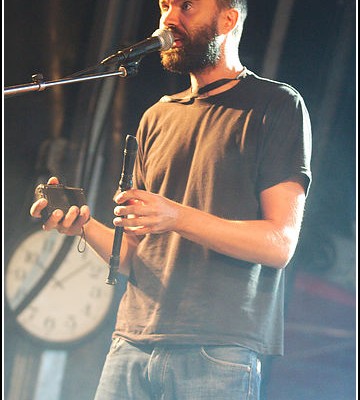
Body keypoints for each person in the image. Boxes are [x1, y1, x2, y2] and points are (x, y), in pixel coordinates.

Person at [30, 0, 312, 399]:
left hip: (217, 350)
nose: (168, 18)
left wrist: (175, 216)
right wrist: (83, 226)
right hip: (131, 341)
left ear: (228, 19)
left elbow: (279, 244)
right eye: (164, 5)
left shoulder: (276, 105)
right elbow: (132, 256)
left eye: (186, 6)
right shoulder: (157, 116)